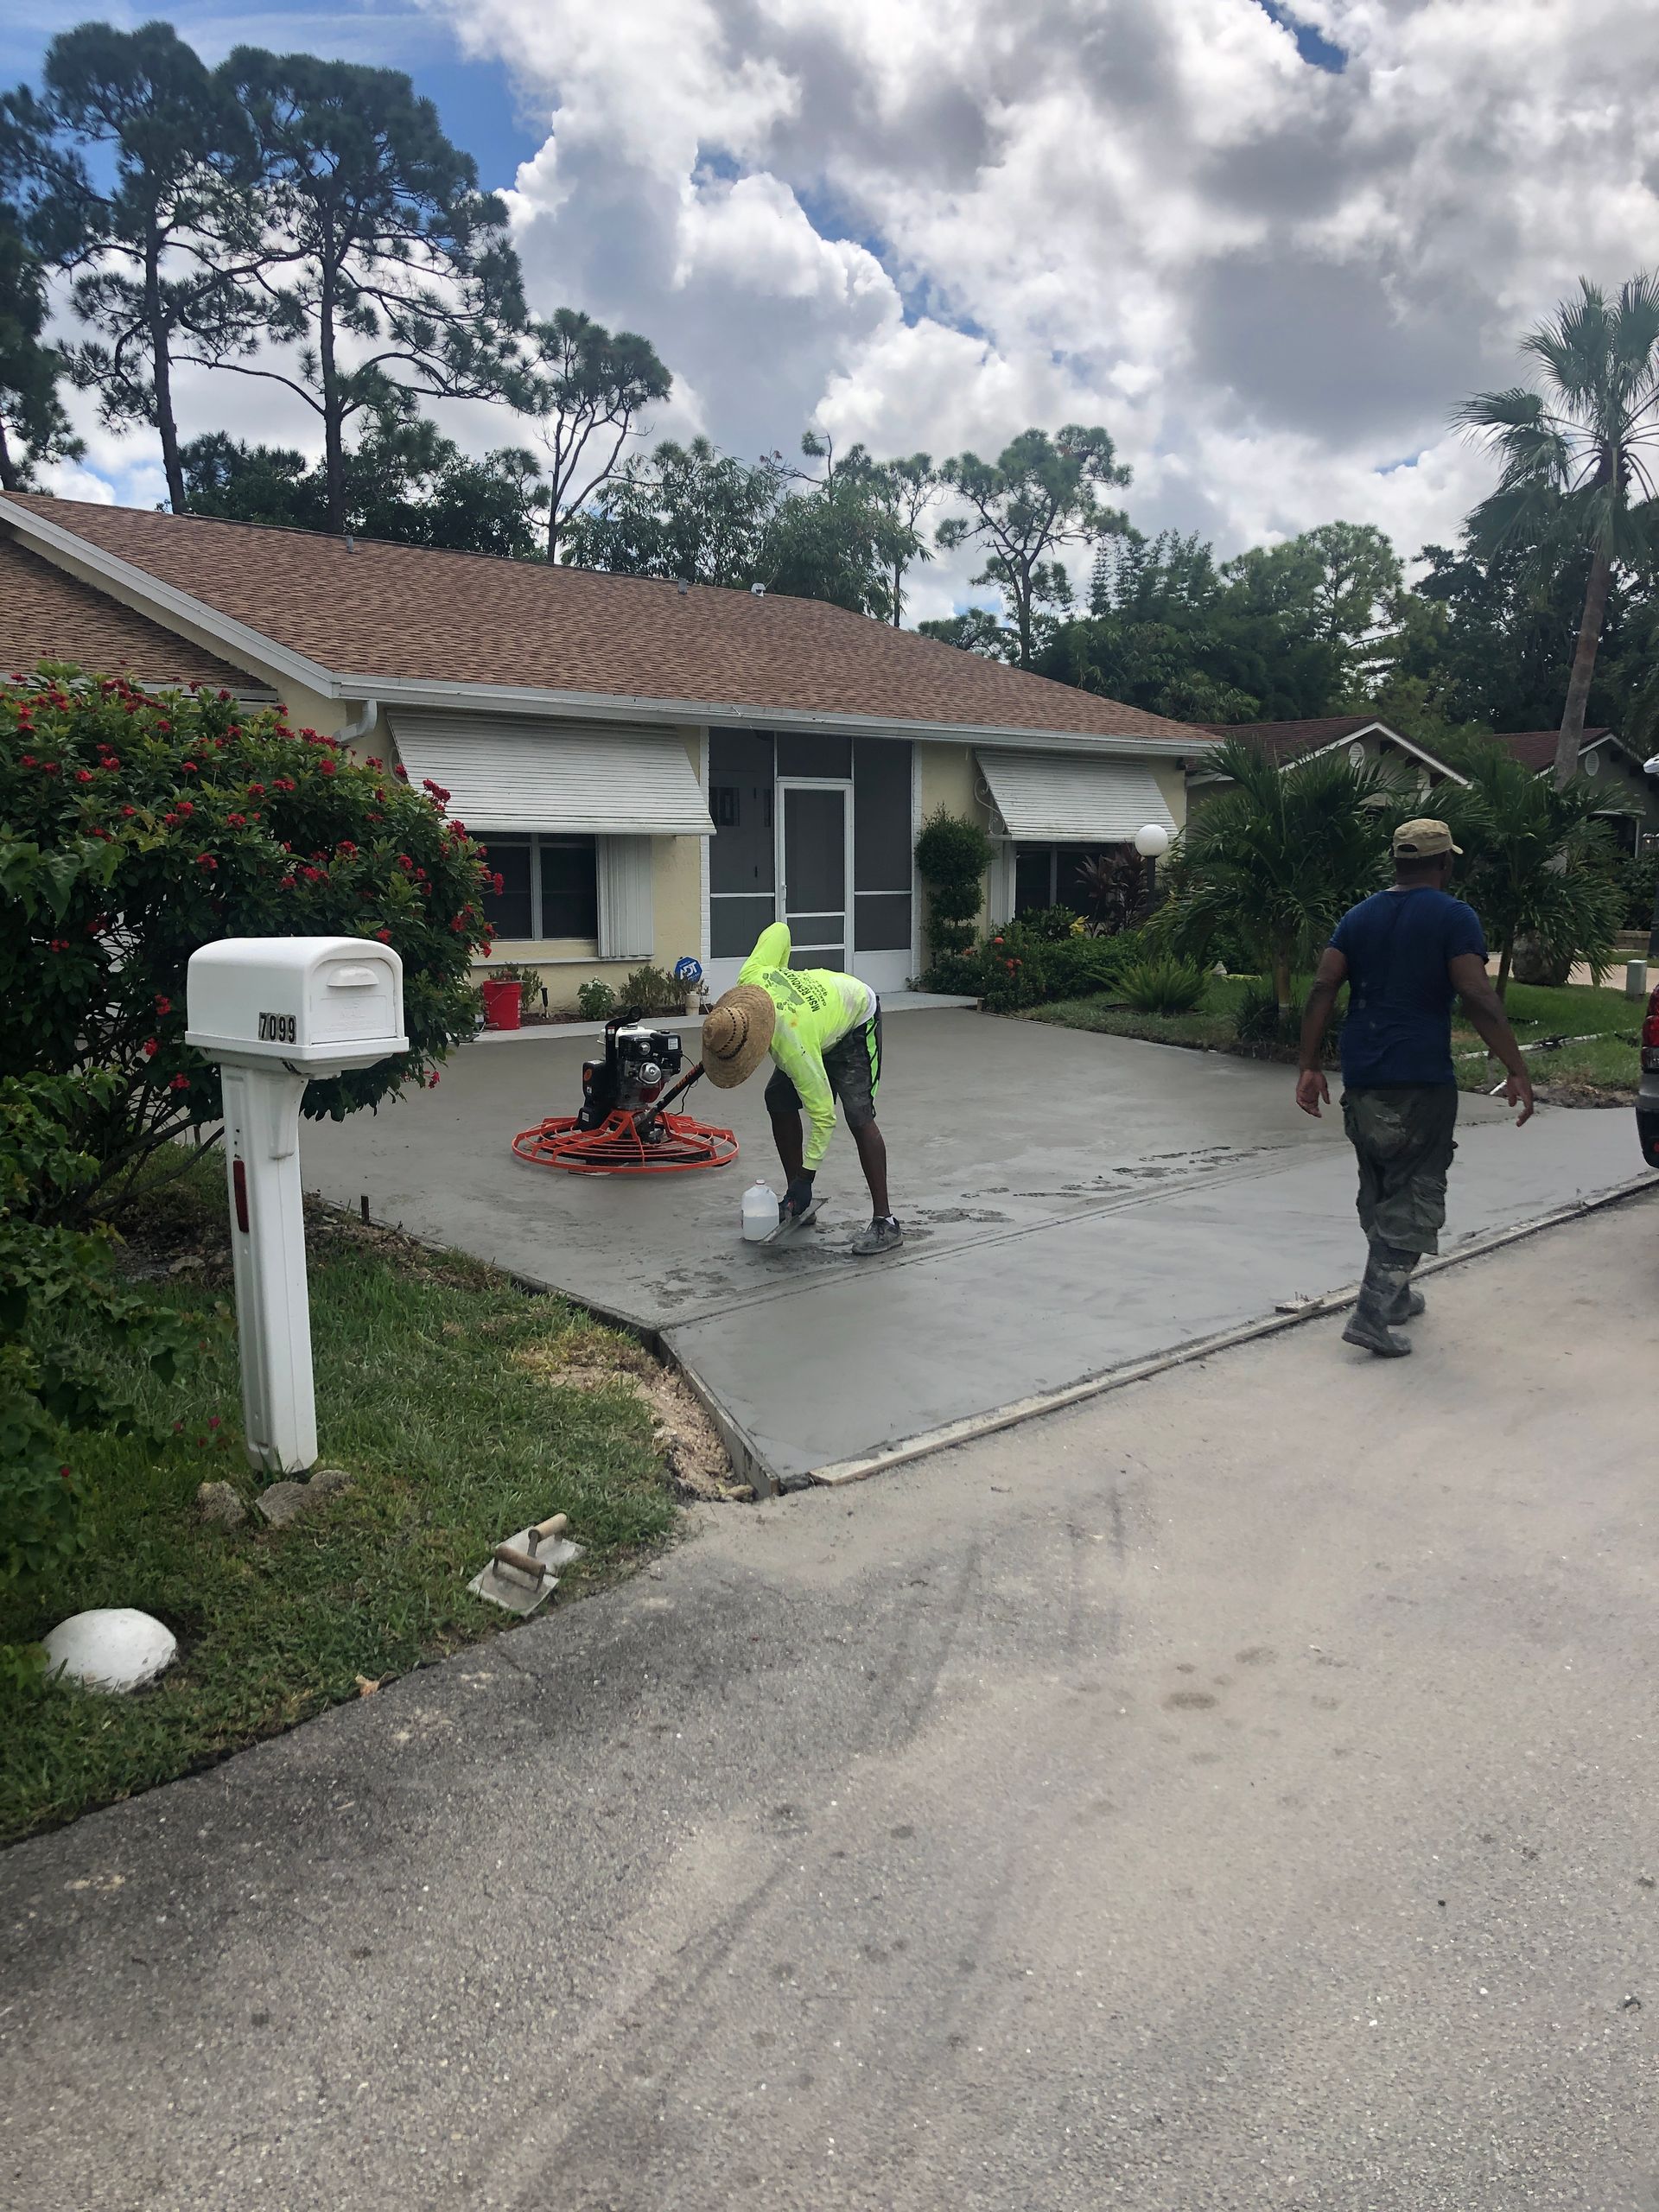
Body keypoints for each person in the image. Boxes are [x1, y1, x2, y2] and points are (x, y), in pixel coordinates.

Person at [1295, 817, 1534, 1357]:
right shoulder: (1455, 916)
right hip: (1421, 1078)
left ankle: (1394, 1296)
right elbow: (1475, 994)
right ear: (1445, 863)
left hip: (1364, 1077)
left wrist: (1309, 1065)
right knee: (1417, 1192)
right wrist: (1515, 1066)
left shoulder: (1357, 917)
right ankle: (1371, 1317)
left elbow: (1323, 986)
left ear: (1397, 864)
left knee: (1381, 1186)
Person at [699, 921, 901, 1255]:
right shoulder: (751, 976)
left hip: (855, 1019)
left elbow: (824, 1117)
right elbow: (779, 930)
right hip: (814, 1022)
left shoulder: (792, 1047)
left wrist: (808, 1177)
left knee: (858, 1116)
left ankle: (886, 1222)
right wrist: (782, 975)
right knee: (777, 1097)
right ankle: (798, 1201)